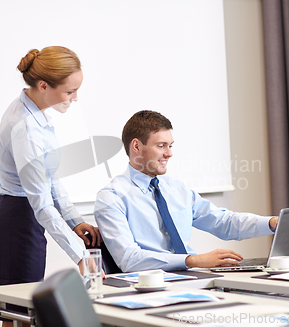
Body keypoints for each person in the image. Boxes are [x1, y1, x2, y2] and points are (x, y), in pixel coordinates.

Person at [0, 46, 100, 326]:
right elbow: (42, 204)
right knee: (18, 313)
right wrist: (80, 256)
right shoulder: (26, 127)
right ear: (43, 85)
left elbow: (50, 176)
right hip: (18, 220)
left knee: (23, 312)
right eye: (70, 91)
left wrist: (74, 220)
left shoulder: (34, 110)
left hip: (23, 215)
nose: (75, 99)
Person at [94, 110, 278, 273]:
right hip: (152, 287)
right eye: (161, 146)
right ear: (136, 147)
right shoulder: (111, 197)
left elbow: (223, 222)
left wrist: (271, 223)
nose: (169, 153)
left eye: (170, 146)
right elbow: (129, 259)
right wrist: (193, 260)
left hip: (194, 278)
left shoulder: (176, 189)